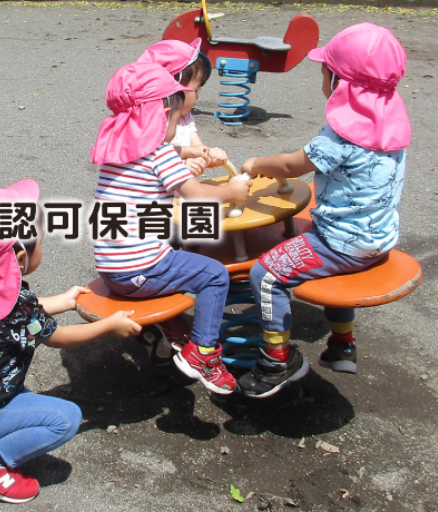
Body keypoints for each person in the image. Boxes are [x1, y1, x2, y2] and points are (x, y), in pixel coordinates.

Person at [237, 23, 412, 398]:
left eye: (324, 72)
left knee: (265, 273)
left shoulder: (341, 135)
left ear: (339, 82)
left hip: (341, 245)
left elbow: (292, 165)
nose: (322, 77)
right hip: (379, 238)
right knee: (310, 238)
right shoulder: (390, 120)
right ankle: (342, 345)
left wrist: (256, 163)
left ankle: (276, 360)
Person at [0, 179, 141, 503]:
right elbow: (57, 337)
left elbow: (19, 315)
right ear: (21, 256)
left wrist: (65, 300)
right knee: (66, 419)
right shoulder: (18, 305)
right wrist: (108, 326)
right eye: (42, 243)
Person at [90, 61, 251, 394]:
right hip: (140, 270)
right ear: (163, 115)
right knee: (214, 273)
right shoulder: (159, 153)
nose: (176, 127)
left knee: (175, 252)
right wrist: (232, 191)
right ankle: (203, 354)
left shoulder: (114, 150)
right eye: (176, 121)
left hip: (110, 269)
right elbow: (197, 195)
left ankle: (174, 328)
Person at [137, 38, 228, 177]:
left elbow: (198, 149)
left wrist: (211, 155)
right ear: (173, 91)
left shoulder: (185, 118)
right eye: (196, 90)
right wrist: (182, 166)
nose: (197, 97)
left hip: (180, 189)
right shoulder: (148, 122)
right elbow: (150, 157)